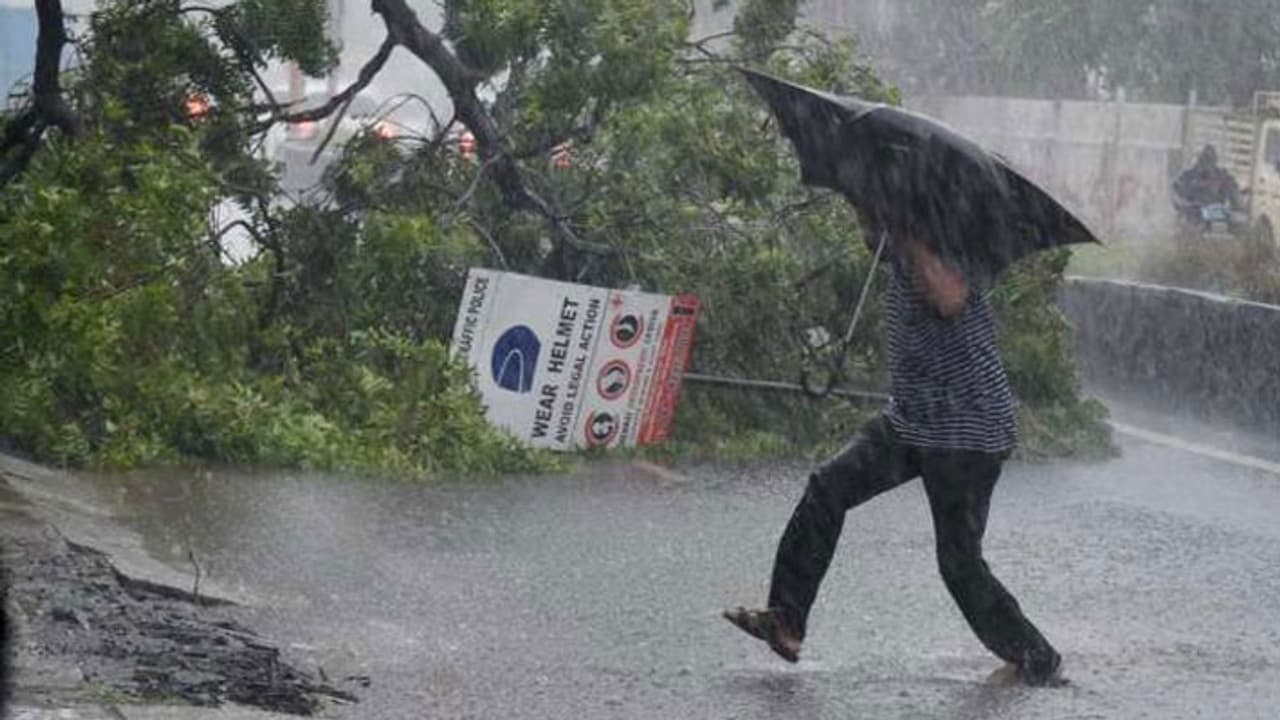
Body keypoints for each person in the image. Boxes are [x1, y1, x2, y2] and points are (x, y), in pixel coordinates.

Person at [723, 213, 1063, 687]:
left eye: (873, 211)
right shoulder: (901, 243)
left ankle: (1037, 659)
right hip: (911, 419)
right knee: (828, 487)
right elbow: (876, 245)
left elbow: (950, 298)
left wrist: (911, 234)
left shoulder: (949, 239)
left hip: (966, 429)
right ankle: (786, 621)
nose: (866, 224)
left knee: (959, 563)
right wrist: (887, 228)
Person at [1173, 144, 1242, 219]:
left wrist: (1236, 206)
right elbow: (1176, 195)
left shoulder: (1222, 177)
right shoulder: (1188, 176)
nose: (1206, 163)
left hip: (1215, 218)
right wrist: (1185, 206)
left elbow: (1236, 201)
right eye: (1204, 159)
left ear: (1215, 161)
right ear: (1199, 159)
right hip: (1191, 218)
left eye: (1209, 159)